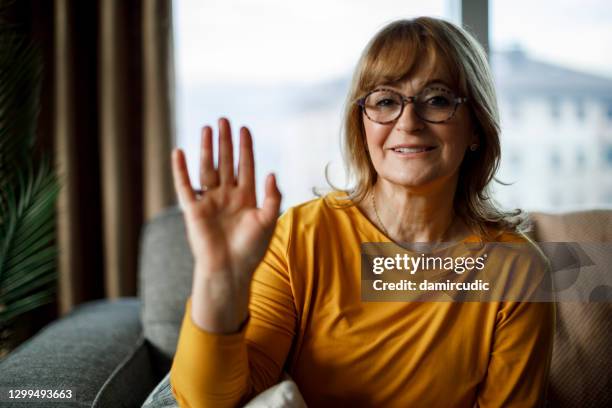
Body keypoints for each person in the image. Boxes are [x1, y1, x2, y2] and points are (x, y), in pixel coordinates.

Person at [168, 17, 555, 407]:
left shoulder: (518, 270)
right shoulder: (301, 236)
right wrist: (217, 280)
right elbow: (211, 402)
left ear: (475, 128)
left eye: (437, 99)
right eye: (385, 101)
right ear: (362, 125)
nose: (408, 122)